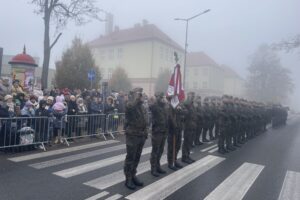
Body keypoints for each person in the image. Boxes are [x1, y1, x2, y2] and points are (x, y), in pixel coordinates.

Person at [123, 87, 148, 190]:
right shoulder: (130, 104)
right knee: (130, 157)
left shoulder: (141, 106)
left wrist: (145, 132)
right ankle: (128, 178)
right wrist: (136, 98)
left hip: (141, 135)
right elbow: (130, 107)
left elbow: (145, 120)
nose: (141, 95)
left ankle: (133, 175)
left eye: (141, 94)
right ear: (133, 95)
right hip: (132, 135)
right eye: (139, 94)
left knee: (137, 157)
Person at [149, 92, 168, 177]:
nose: (164, 99)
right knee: (155, 151)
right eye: (162, 98)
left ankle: (158, 166)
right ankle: (153, 169)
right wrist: (157, 99)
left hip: (163, 131)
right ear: (158, 98)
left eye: (164, 97)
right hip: (157, 132)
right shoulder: (155, 106)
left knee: (160, 150)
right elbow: (151, 107)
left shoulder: (164, 107)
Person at [182, 92, 197, 164]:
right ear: (188, 95)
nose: (193, 96)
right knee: (186, 142)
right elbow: (185, 114)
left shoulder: (192, 105)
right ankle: (184, 157)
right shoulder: (186, 104)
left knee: (190, 142)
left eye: (193, 95)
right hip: (188, 126)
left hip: (192, 126)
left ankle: (187, 155)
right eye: (191, 95)